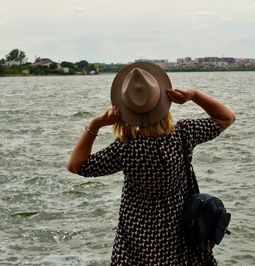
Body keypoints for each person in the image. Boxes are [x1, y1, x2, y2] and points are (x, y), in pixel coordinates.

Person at [67, 62, 235, 265]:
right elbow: (227, 117)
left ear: (125, 108)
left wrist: (95, 125)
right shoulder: (184, 134)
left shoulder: (125, 149)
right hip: (179, 239)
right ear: (163, 102)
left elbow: (76, 166)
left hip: (136, 245)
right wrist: (195, 95)